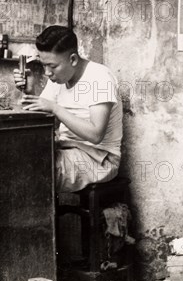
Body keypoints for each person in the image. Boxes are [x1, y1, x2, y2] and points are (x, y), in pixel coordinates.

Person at [14, 26, 122, 193]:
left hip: (99, 158)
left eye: (52, 66)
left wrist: (55, 109)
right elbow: (40, 117)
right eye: (44, 66)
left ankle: (42, 219)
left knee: (33, 169)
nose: (47, 72)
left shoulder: (100, 77)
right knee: (11, 157)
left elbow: (95, 134)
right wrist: (30, 92)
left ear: (72, 59)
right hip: (66, 149)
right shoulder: (58, 78)